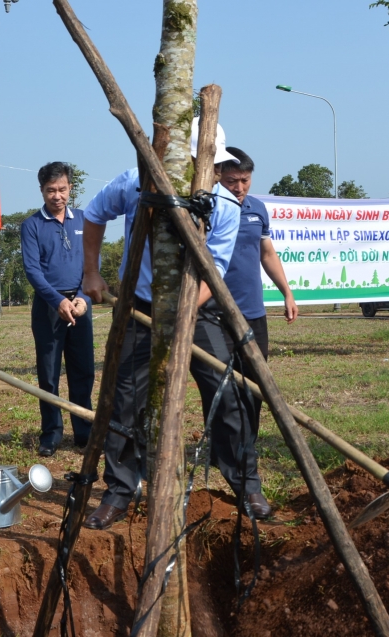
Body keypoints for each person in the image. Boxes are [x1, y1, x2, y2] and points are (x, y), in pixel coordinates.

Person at [80, 119, 253, 530]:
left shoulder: (225, 207)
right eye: (200, 164)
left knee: (226, 392)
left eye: (213, 167)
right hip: (140, 307)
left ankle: (247, 484)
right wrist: (91, 272)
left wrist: (184, 314)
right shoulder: (136, 185)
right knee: (124, 398)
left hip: (198, 309)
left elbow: (217, 270)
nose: (208, 174)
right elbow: (93, 213)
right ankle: (121, 489)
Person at [211, 146, 297, 502]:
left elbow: (266, 253)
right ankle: (225, 455)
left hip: (252, 312)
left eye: (245, 180)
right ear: (218, 176)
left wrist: (287, 292)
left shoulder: (257, 209)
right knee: (220, 388)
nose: (239, 187)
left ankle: (246, 445)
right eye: (232, 180)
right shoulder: (209, 206)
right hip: (212, 313)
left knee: (255, 386)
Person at [21, 161, 94, 457]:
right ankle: (51, 433)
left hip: (78, 306)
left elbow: (93, 262)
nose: (57, 196)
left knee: (83, 371)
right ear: (41, 191)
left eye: (62, 189)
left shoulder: (85, 220)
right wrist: (58, 301)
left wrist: (81, 299)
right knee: (49, 374)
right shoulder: (32, 225)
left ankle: (84, 432)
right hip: (49, 307)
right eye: (50, 190)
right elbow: (32, 270)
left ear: (70, 188)